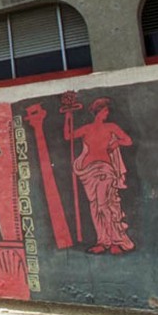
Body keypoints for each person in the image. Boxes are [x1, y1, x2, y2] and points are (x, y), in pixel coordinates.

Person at [66, 97, 135, 255]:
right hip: (88, 171)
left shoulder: (111, 126)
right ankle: (103, 241)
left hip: (105, 169)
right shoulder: (87, 129)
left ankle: (116, 241)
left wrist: (117, 143)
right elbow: (68, 136)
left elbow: (128, 140)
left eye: (107, 111)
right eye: (105, 111)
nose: (107, 113)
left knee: (104, 205)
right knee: (95, 206)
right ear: (99, 112)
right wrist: (68, 117)